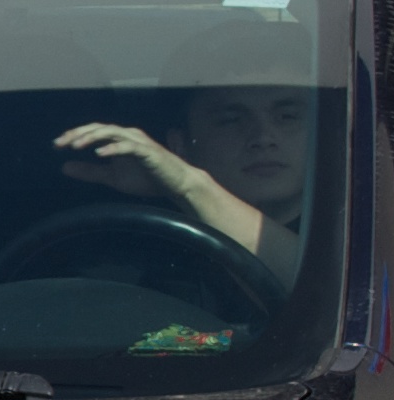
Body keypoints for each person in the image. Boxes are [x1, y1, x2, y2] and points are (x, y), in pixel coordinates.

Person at [53, 78, 315, 272]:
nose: (263, 137)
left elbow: (321, 290)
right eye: (231, 120)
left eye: (287, 117)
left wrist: (188, 185)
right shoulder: (142, 250)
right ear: (180, 145)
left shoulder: (340, 235)